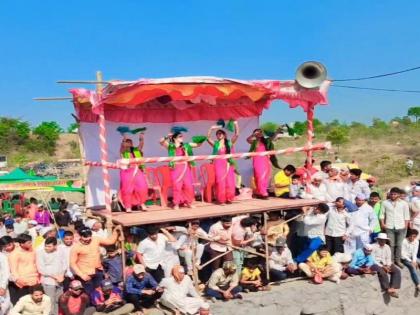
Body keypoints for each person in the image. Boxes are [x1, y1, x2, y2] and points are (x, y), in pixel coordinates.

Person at [160, 128, 204, 210]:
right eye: (180, 136)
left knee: (189, 186)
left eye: (182, 136)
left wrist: (204, 138)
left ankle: (189, 202)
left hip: (185, 167)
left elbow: (198, 145)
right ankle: (176, 203)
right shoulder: (171, 146)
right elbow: (161, 142)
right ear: (174, 138)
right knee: (177, 186)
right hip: (176, 168)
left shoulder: (186, 145)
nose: (182, 137)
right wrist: (167, 136)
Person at [70, 226, 121, 295]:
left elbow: (110, 241)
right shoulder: (76, 247)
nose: (88, 238)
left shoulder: (96, 239)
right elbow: (72, 263)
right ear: (80, 236)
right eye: (85, 237)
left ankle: (101, 304)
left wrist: (115, 231)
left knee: (100, 291)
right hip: (86, 273)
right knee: (89, 293)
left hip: (98, 270)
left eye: (89, 236)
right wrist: (82, 275)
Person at [207, 121, 239, 204]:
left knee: (230, 182)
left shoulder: (229, 143)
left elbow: (237, 135)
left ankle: (229, 198)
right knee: (220, 182)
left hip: (228, 164)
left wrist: (236, 124)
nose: (219, 134)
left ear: (224, 135)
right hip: (218, 165)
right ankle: (221, 199)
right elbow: (207, 138)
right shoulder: (215, 144)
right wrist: (211, 129)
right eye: (217, 133)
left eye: (221, 133)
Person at [379, 187, 410, 267]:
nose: (393, 195)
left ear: (399, 195)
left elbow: (407, 216)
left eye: (395, 194)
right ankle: (391, 261)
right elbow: (382, 214)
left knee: (399, 244)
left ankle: (398, 260)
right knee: (391, 244)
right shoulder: (385, 203)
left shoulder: (404, 203)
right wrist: (383, 224)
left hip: (401, 226)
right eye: (391, 194)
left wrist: (405, 226)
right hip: (389, 226)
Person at [246, 128, 280, 199]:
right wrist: (253, 134)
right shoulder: (254, 142)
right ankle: (263, 193)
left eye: (260, 132)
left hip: (265, 160)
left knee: (265, 177)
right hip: (257, 161)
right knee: (259, 175)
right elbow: (247, 140)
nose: (259, 133)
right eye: (257, 132)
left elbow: (272, 138)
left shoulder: (266, 141)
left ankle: (260, 192)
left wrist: (277, 132)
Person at [36, 236, 67, 315]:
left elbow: (64, 264)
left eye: (49, 246)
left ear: (55, 246)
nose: (47, 248)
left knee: (58, 300)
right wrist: (55, 277)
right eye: (46, 246)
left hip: (60, 280)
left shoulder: (60, 251)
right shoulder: (40, 253)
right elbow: (41, 269)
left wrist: (62, 275)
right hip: (48, 281)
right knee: (50, 301)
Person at [119, 134, 148, 212]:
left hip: (137, 170)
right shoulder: (123, 151)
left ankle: (142, 203)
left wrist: (141, 138)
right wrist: (124, 139)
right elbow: (122, 146)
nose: (128, 144)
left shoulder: (136, 150)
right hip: (127, 172)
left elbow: (141, 145)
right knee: (128, 190)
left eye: (130, 143)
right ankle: (128, 206)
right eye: (127, 143)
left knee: (143, 187)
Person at [8, 233, 39, 305]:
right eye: (28, 243)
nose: (31, 244)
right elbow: (14, 270)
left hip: (34, 281)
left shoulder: (33, 250)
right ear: (21, 244)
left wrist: (37, 278)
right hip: (22, 284)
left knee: (34, 304)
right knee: (23, 305)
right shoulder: (14, 254)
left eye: (31, 242)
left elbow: (35, 264)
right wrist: (20, 282)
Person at [371, 233, 401, 298]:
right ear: (378, 239)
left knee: (397, 271)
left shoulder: (387, 247)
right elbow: (372, 259)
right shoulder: (373, 246)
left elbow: (388, 258)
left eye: (384, 240)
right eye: (381, 240)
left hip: (385, 263)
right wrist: (383, 267)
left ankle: (392, 288)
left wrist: (387, 265)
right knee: (382, 272)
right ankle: (387, 288)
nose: (383, 241)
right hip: (376, 263)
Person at [0, 250, 10, 315]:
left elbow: (6, 272)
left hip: (1, 286)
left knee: (4, 306)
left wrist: (3, 286)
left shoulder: (2, 256)